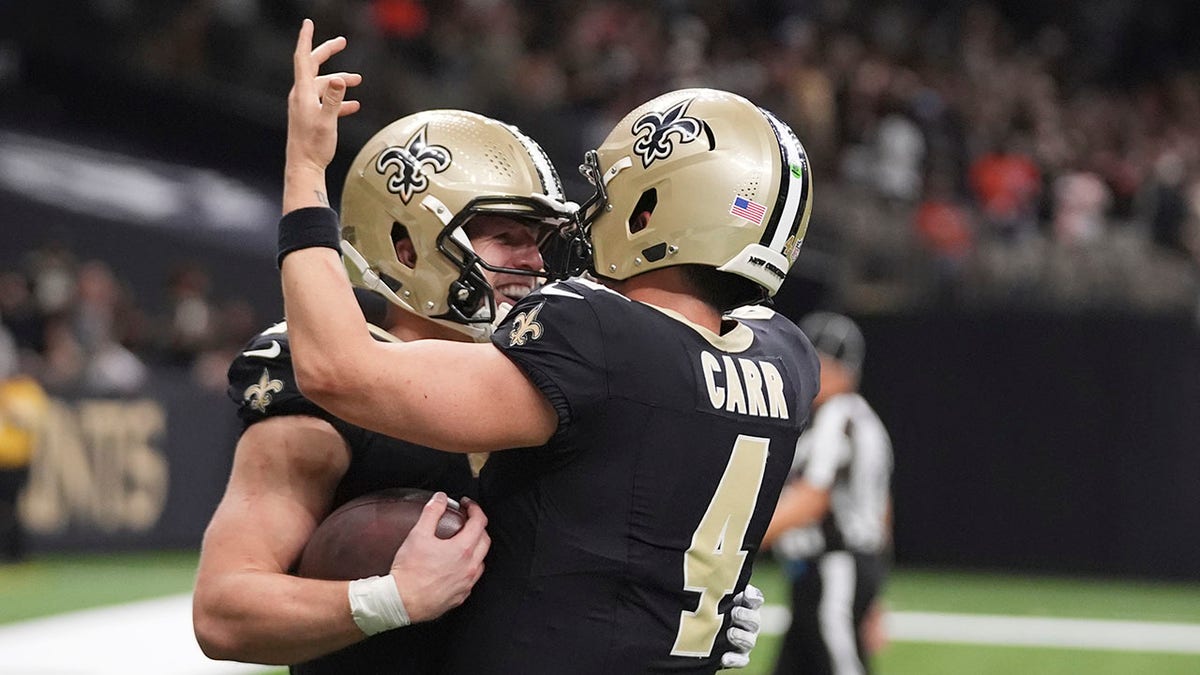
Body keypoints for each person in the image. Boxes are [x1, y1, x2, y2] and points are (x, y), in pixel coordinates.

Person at [274, 20, 817, 674]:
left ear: (648, 212)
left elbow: (337, 370)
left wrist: (305, 170)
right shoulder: (786, 358)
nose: (593, 213)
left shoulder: (595, 334)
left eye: (611, 193)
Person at [194, 101, 763, 669]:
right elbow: (224, 613)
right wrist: (387, 600)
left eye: (538, 238)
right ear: (407, 246)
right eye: (507, 236)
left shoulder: (552, 377)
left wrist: (680, 606)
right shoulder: (318, 412)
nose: (535, 261)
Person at [761, 311, 894, 675]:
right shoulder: (862, 419)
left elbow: (812, 498)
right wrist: (875, 595)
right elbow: (881, 511)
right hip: (831, 572)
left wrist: (742, 538)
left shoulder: (836, 416)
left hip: (835, 569)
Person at [0, 323, 48, 563]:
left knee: (11, 510)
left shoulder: (24, 390)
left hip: (16, 461)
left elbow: (32, 420)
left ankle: (15, 555)